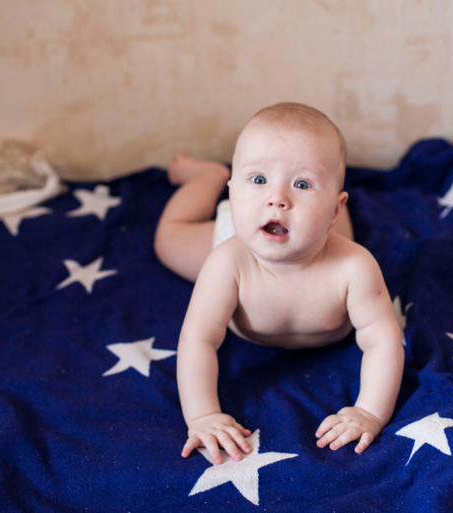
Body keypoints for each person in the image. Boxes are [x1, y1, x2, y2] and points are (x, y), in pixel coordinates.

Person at [154, 102, 404, 465]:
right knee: (169, 239)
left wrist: (369, 412)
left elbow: (383, 341)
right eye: (258, 179)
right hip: (243, 235)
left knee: (336, 235)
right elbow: (198, 339)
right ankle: (207, 177)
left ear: (335, 208)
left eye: (302, 184)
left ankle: (314, 199)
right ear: (233, 192)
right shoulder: (225, 264)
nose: (277, 199)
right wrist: (203, 416)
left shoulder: (355, 267)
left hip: (323, 240)